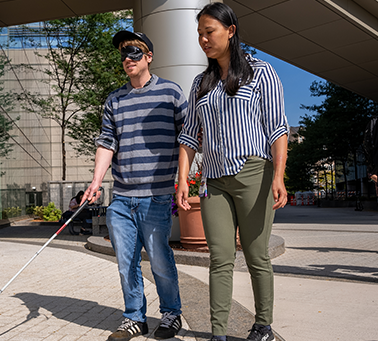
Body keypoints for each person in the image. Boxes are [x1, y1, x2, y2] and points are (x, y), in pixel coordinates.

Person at [176, 3, 288, 341]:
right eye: (199, 34)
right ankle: (219, 333)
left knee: (256, 254)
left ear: (231, 31)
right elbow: (188, 136)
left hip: (254, 173)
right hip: (214, 180)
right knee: (220, 258)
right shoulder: (201, 83)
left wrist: (279, 176)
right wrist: (183, 178)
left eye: (209, 32)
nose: (203, 40)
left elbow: (277, 129)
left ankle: (263, 325)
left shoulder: (261, 72)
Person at [82, 31, 186, 341]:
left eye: (134, 52)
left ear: (149, 57)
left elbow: (188, 138)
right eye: (124, 53)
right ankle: (134, 318)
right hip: (122, 197)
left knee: (158, 258)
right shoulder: (115, 99)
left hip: (156, 195)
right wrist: (97, 181)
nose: (127, 58)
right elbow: (106, 142)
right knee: (126, 261)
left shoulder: (171, 93)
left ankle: (170, 314)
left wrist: (184, 179)